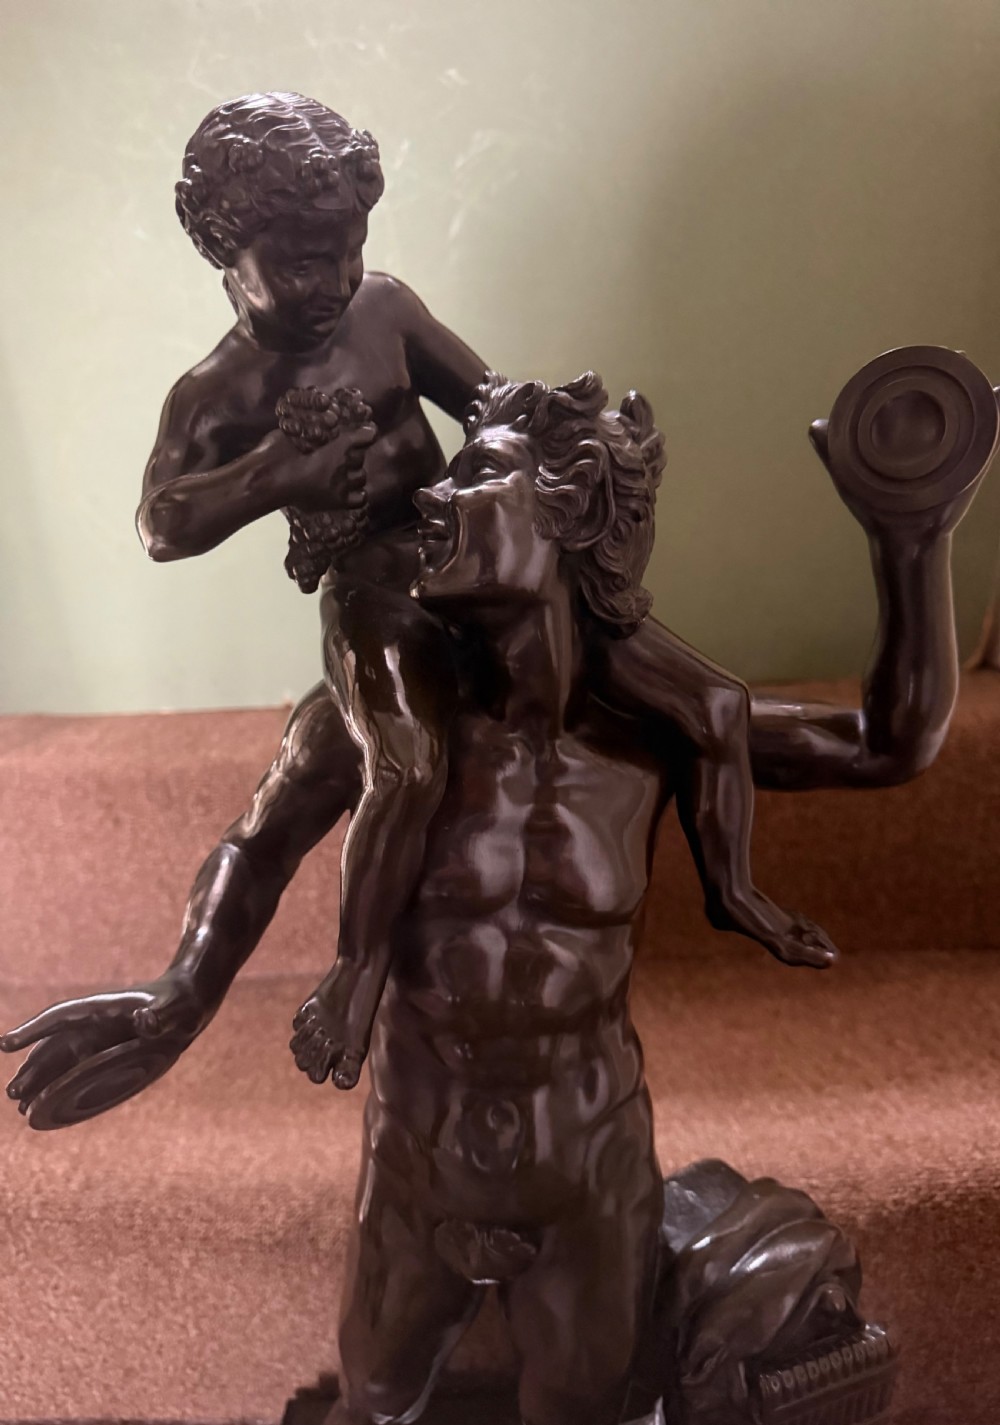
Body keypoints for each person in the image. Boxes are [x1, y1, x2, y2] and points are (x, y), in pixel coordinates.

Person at [2, 374, 842, 1425]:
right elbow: (254, 849)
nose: (429, 500)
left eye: (473, 475)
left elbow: (888, 742)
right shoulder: (374, 722)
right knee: (371, 1405)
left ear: (570, 514)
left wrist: (909, 542)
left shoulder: (651, 732)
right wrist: (183, 989)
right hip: (416, 1160)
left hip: (588, 1166)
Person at [134, 91, 489, 1085]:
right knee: (404, 766)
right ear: (224, 248)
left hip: (467, 565)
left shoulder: (386, 311)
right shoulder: (218, 394)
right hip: (371, 598)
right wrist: (276, 473)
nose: (333, 283)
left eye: (349, 252)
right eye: (300, 264)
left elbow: (489, 402)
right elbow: (163, 523)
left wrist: (549, 432)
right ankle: (355, 969)